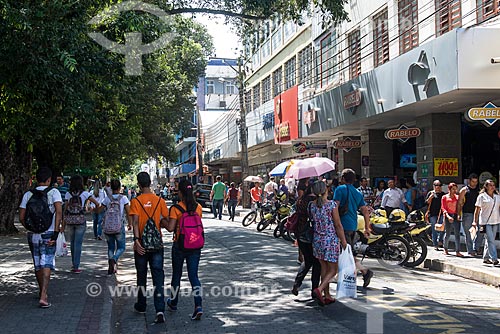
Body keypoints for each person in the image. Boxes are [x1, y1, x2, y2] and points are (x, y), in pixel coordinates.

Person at [19, 167, 63, 308]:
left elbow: (21, 217)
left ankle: (40, 291)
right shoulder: (54, 192)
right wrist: (56, 233)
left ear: (36, 179)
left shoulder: (28, 194)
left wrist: (31, 228)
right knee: (47, 262)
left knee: (37, 263)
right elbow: (59, 211)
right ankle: (44, 294)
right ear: (49, 180)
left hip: (33, 234)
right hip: (49, 232)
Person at [129, 172, 169, 323]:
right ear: (150, 183)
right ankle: (160, 309)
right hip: (156, 244)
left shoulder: (136, 201)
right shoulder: (160, 201)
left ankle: (141, 305)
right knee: (158, 276)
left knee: (141, 275)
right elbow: (165, 220)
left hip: (142, 245)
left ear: (139, 184)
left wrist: (136, 240)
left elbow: (135, 223)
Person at [166, 180, 204, 320]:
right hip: (194, 245)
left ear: (180, 192)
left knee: (176, 276)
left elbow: (170, 228)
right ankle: (198, 305)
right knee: (194, 276)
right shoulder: (198, 207)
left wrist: (162, 221)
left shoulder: (176, 209)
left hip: (179, 246)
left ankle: (173, 302)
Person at [334, 168, 373, 288]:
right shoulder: (358, 193)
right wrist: (367, 227)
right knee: (346, 252)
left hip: (342, 226)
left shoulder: (339, 189)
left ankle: (364, 272)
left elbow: (335, 207)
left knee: (346, 253)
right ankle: (339, 275)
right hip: (353, 225)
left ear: (343, 179)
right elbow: (365, 211)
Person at [310, 181, 347, 305]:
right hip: (330, 240)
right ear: (326, 190)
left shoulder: (311, 205)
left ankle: (327, 295)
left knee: (324, 268)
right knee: (333, 269)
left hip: (317, 240)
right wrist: (344, 241)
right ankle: (320, 289)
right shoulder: (331, 205)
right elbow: (338, 225)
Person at [63, 175, 100, 273]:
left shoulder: (68, 194)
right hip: (80, 220)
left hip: (70, 220)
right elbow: (97, 203)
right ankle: (76, 266)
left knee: (72, 242)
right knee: (78, 243)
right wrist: (90, 209)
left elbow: (65, 208)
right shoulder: (85, 194)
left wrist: (63, 224)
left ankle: (73, 264)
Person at [291, 183, 320, 297]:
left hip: (300, 233)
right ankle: (314, 290)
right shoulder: (314, 201)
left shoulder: (300, 200)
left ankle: (297, 283)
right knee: (316, 262)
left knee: (307, 260)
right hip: (312, 234)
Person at [101, 179, 131, 275]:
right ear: (119, 187)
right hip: (119, 226)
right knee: (121, 247)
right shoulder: (123, 198)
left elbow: (101, 209)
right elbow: (128, 212)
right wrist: (130, 224)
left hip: (108, 227)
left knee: (110, 247)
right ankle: (114, 259)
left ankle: (111, 264)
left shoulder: (107, 199)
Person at [473, 179, 500, 265]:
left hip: (495, 221)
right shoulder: (481, 196)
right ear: (486, 187)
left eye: (493, 185)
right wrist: (474, 221)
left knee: (489, 240)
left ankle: (486, 257)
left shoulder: (497, 197)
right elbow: (477, 210)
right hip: (484, 222)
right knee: (491, 239)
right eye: (490, 185)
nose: (492, 187)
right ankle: (494, 258)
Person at [457, 173, 480, 256]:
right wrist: (459, 214)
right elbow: (459, 203)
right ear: (469, 181)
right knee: (468, 233)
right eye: (473, 181)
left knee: (480, 231)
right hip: (467, 213)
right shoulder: (464, 190)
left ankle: (476, 248)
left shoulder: (479, 190)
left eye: (476, 182)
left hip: (478, 213)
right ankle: (470, 250)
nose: (475, 183)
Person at [441, 182, 463, 257]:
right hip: (448, 215)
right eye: (453, 189)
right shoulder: (444, 197)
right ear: (449, 189)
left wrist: (459, 214)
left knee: (457, 234)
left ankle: (457, 250)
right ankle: (445, 248)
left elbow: (460, 206)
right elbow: (443, 208)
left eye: (455, 189)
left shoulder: (457, 197)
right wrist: (448, 216)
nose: (454, 191)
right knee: (448, 233)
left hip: (456, 215)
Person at [426, 180, 446, 250]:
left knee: (442, 228)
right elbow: (427, 203)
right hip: (433, 214)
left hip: (441, 213)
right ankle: (435, 244)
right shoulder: (431, 193)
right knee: (434, 229)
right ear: (433, 186)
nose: (438, 187)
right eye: (436, 185)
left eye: (439, 185)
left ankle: (440, 241)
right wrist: (431, 197)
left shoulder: (443, 194)